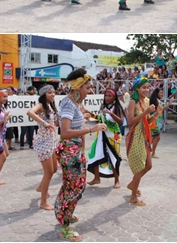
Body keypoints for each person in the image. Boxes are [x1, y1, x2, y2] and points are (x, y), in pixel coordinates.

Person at [55, 69, 105, 241]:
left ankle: (64, 212)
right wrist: (92, 129)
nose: (89, 91)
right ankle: (64, 225)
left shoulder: (74, 103)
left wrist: (89, 117)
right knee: (75, 186)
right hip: (70, 150)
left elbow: (75, 122)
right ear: (77, 88)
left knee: (75, 185)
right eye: (87, 88)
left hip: (75, 149)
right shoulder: (69, 104)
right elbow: (64, 132)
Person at [26, 84, 59, 210]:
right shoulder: (40, 105)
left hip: (51, 141)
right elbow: (29, 112)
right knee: (48, 172)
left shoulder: (51, 106)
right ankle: (43, 201)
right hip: (43, 141)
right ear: (43, 94)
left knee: (54, 169)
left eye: (54, 92)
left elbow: (54, 123)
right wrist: (44, 123)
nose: (53, 94)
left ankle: (41, 187)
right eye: (50, 92)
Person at [125, 77, 155, 207]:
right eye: (144, 87)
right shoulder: (133, 102)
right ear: (137, 88)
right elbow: (130, 121)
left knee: (148, 166)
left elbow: (147, 122)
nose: (146, 90)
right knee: (139, 168)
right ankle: (133, 197)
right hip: (135, 137)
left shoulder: (146, 101)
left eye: (148, 87)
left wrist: (156, 114)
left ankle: (133, 184)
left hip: (144, 137)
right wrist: (145, 112)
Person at [87, 88, 124, 188]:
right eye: (106, 95)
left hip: (113, 136)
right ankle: (97, 178)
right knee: (94, 154)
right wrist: (90, 114)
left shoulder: (116, 107)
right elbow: (100, 118)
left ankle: (117, 180)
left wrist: (111, 113)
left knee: (113, 157)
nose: (107, 97)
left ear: (114, 97)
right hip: (102, 134)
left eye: (109, 96)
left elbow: (121, 122)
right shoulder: (102, 106)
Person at [148, 86, 175, 158]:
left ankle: (150, 152)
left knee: (154, 137)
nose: (162, 94)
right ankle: (152, 152)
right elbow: (161, 109)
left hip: (156, 121)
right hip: (154, 122)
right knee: (156, 137)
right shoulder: (156, 101)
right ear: (157, 93)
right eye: (161, 92)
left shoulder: (156, 100)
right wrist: (169, 103)